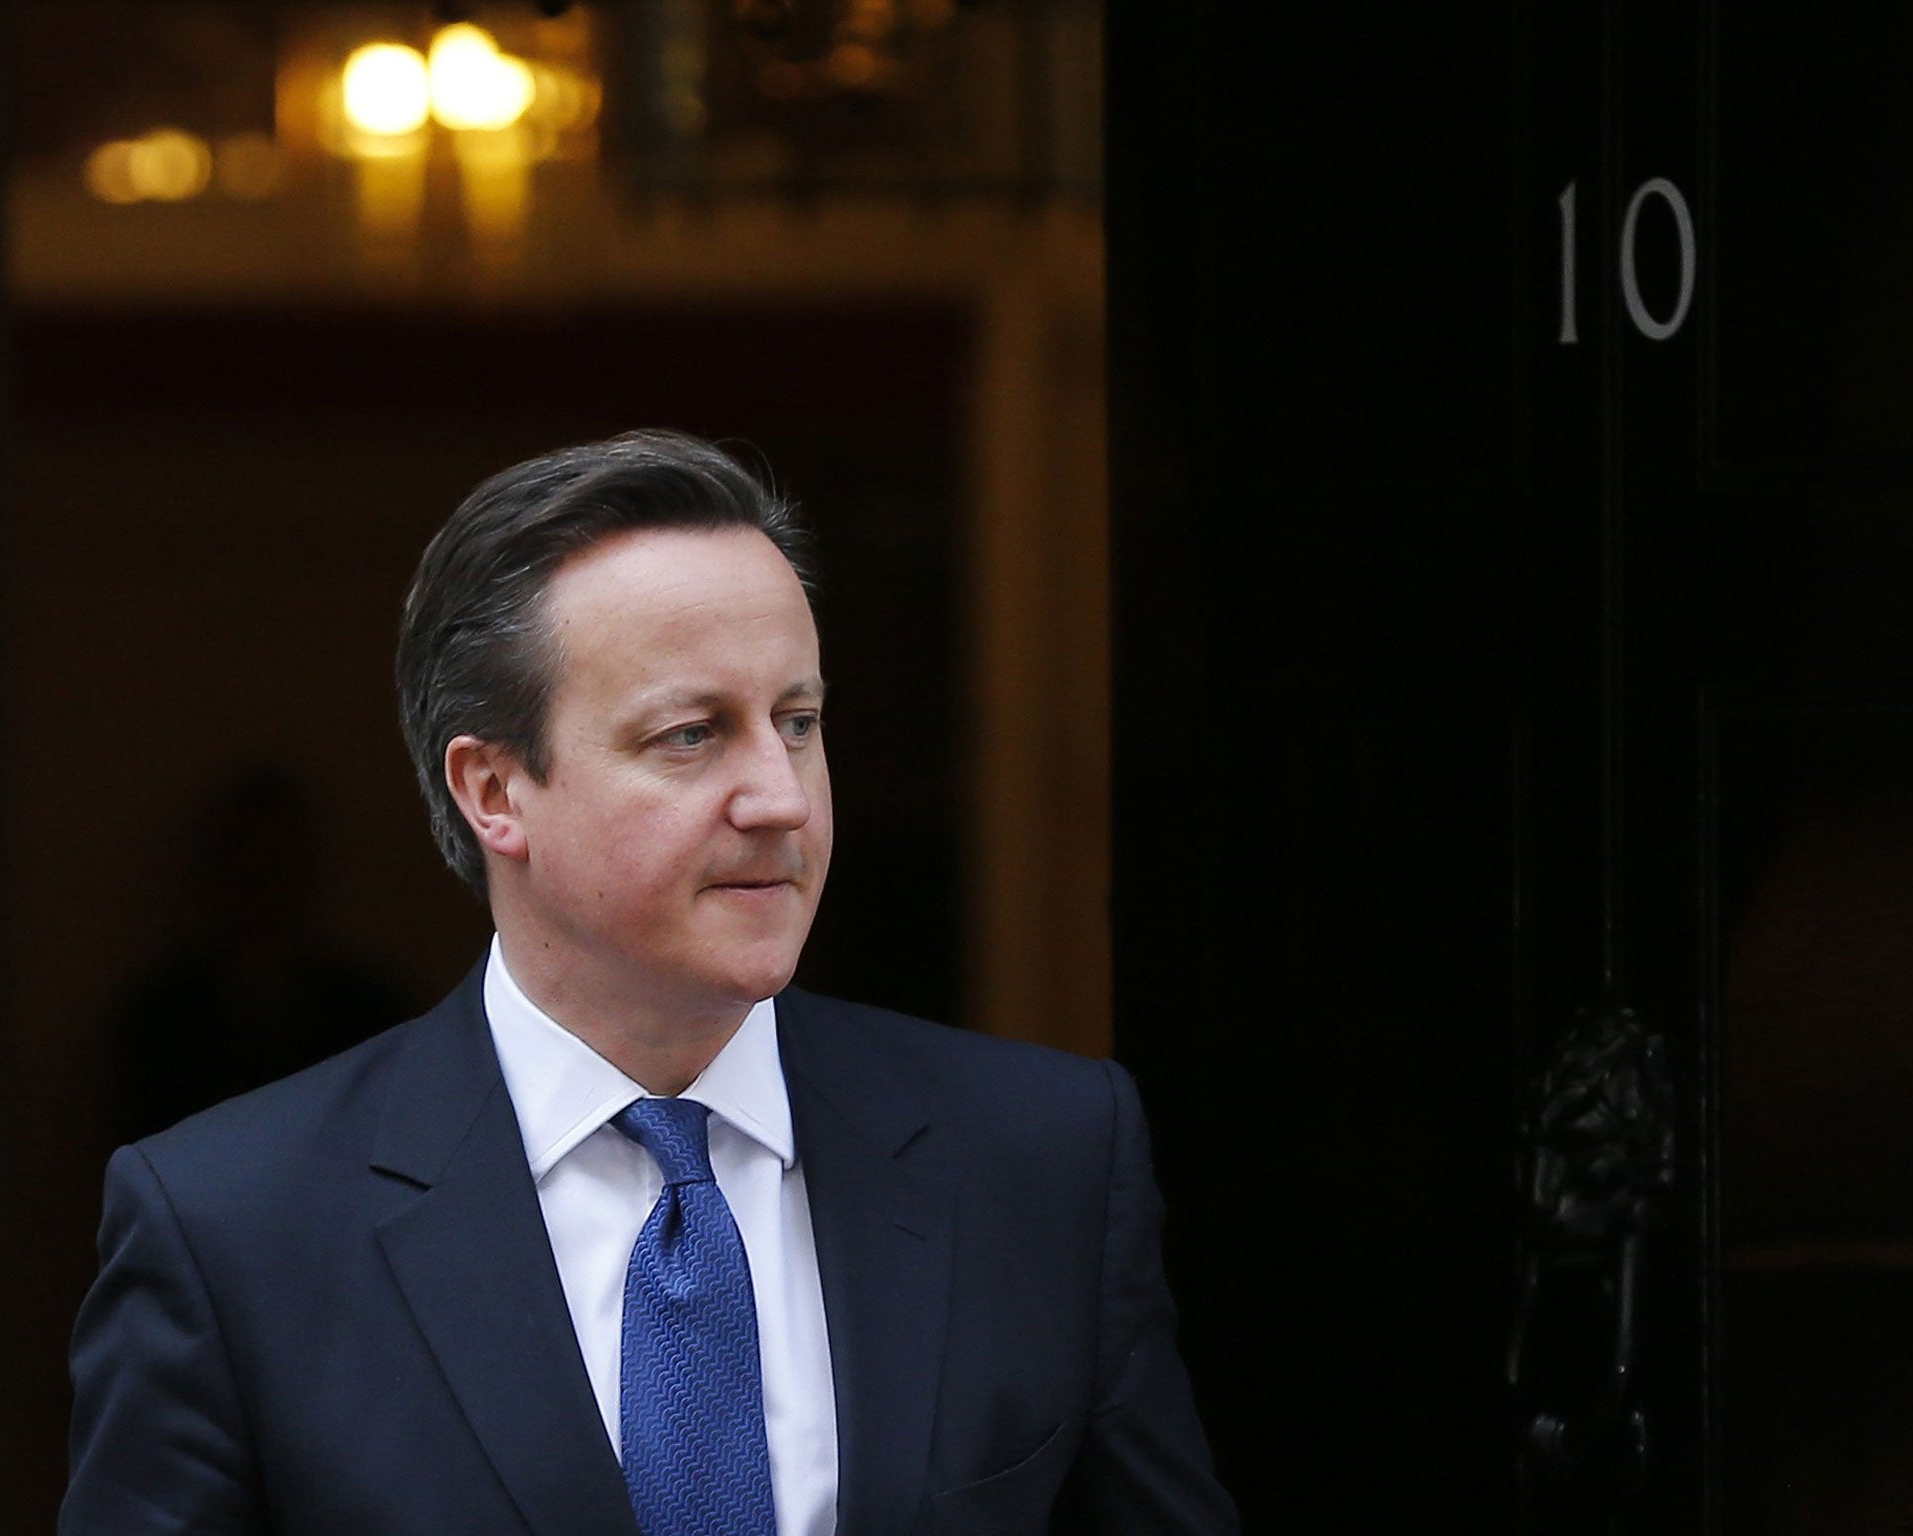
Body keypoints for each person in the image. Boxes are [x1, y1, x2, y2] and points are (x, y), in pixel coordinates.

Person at [61, 429, 1238, 1535]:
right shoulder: (234, 1229)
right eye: (691, 734)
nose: (779, 796)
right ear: (496, 792)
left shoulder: (1041, 1160)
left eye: (798, 720)